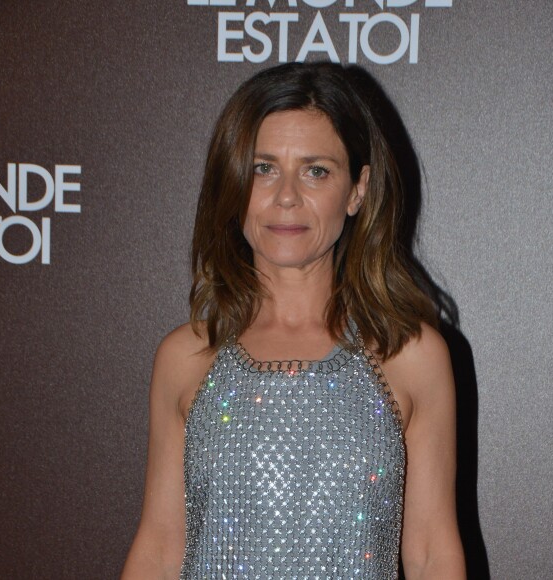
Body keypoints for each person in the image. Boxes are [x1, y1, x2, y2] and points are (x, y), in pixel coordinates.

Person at [122, 62, 465, 579]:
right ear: (232, 183)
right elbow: (160, 548)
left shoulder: (411, 356)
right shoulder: (186, 358)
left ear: (357, 190)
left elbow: (431, 552)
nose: (286, 196)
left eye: (316, 170)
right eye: (263, 168)